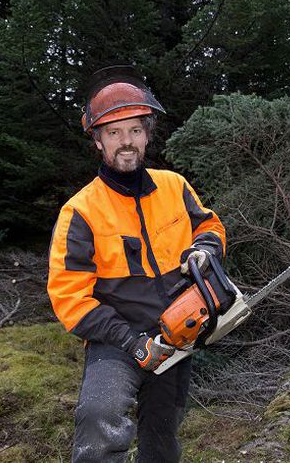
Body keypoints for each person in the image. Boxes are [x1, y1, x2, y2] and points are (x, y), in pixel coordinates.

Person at [47, 65, 226, 463]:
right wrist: (132, 342)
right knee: (99, 416)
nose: (125, 142)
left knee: (162, 435)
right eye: (113, 132)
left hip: (178, 332)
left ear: (147, 134)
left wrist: (206, 249)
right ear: (98, 141)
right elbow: (69, 299)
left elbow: (209, 225)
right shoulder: (80, 211)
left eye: (134, 130)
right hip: (116, 339)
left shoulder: (174, 187)